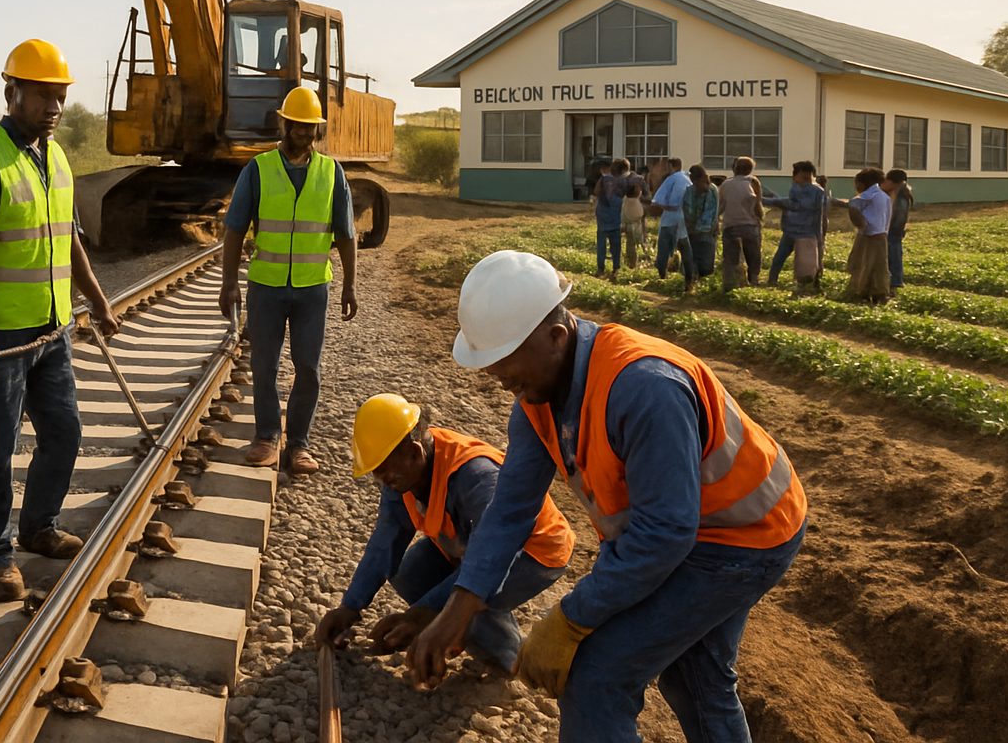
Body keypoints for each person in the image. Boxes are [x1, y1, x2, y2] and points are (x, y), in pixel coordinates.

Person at [407, 251, 807, 742]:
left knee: (597, 677)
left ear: (556, 337)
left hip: (744, 535)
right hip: (692, 527)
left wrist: (570, 618)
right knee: (695, 678)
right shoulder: (538, 398)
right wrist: (456, 611)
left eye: (505, 362)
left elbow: (664, 536)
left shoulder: (644, 388)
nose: (499, 378)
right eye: (490, 365)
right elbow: (508, 512)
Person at [0, 39, 121, 601]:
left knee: (64, 433)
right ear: (10, 92)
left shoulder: (57, 157)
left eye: (61, 97)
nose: (54, 107)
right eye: (43, 95)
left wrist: (96, 297)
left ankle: (38, 527)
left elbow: (65, 238)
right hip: (4, 336)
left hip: (53, 331)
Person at [315, 394, 574, 674]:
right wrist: (350, 606)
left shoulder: (475, 477)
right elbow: (385, 544)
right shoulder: (403, 478)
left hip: (531, 550)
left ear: (415, 452)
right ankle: (464, 633)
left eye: (383, 470)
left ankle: (506, 661)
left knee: (469, 600)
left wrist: (426, 616)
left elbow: (490, 560)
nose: (380, 480)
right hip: (470, 543)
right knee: (410, 572)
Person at [219, 86, 358, 474]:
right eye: (296, 124)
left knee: (308, 367)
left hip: (313, 288)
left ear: (317, 129)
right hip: (266, 286)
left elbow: (346, 234)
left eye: (309, 125)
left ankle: (298, 444)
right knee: (264, 364)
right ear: (284, 124)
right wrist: (229, 282)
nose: (303, 131)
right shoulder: (258, 169)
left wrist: (349, 284)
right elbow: (234, 229)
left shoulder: (332, 173)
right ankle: (266, 436)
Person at [764, 161, 829, 293]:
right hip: (792, 230)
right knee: (782, 258)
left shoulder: (814, 191)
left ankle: (806, 287)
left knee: (805, 264)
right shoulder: (797, 187)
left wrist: (769, 201)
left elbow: (797, 205)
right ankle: (773, 281)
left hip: (807, 233)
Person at [833, 167, 892, 303]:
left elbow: (853, 203)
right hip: (881, 234)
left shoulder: (869, 194)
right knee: (879, 266)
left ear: (864, 184)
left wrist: (860, 224)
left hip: (868, 235)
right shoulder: (884, 196)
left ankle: (860, 293)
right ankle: (880, 294)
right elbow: (888, 217)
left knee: (861, 264)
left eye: (857, 184)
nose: (856, 187)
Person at [717, 156, 764, 290]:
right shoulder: (753, 182)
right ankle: (753, 280)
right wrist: (760, 220)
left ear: (735, 168)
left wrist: (716, 220)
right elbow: (758, 206)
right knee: (753, 256)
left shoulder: (726, 184)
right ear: (750, 170)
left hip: (730, 226)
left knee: (731, 259)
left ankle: (729, 285)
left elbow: (720, 206)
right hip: (750, 226)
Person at [651, 157, 696, 291]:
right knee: (685, 248)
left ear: (671, 167)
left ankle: (662, 276)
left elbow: (661, 200)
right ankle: (689, 279)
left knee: (664, 247)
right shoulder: (687, 178)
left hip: (670, 218)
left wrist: (664, 206)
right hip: (684, 218)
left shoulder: (672, 179)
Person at [608, 159, 649, 268]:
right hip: (638, 212)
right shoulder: (639, 179)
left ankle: (625, 263)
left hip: (623, 213)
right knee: (639, 238)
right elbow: (648, 197)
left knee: (623, 240)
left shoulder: (616, 181)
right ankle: (642, 260)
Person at [682, 165, 719, 279]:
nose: (696, 185)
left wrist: (695, 226)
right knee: (692, 263)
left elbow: (710, 212)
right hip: (694, 232)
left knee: (705, 265)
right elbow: (687, 210)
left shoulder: (712, 190)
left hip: (705, 231)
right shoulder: (690, 190)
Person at [883, 169, 914, 292]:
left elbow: (898, 216)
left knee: (893, 257)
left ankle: (894, 285)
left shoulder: (901, 194)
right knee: (893, 257)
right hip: (894, 231)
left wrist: (891, 228)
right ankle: (892, 285)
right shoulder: (901, 191)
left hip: (893, 231)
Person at [593, 160, 623, 279]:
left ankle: (601, 269)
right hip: (615, 218)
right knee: (616, 246)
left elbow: (596, 192)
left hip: (603, 218)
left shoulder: (603, 180)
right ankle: (616, 269)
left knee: (601, 245)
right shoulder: (620, 180)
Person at [620, 181, 651, 265]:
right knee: (639, 244)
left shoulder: (626, 200)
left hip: (628, 226)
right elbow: (640, 214)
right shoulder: (635, 202)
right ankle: (636, 260)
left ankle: (631, 261)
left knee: (630, 244)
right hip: (636, 226)